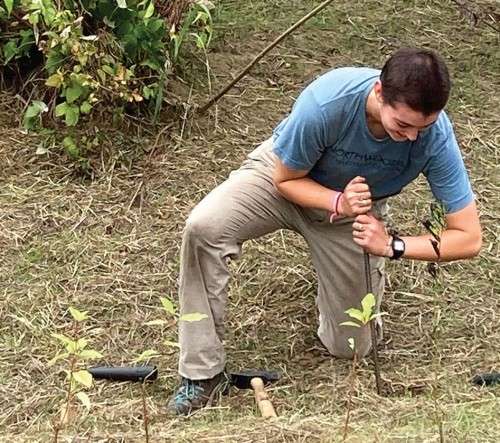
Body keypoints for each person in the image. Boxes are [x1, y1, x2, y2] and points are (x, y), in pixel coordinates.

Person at [167, 47, 482, 415]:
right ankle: (201, 374)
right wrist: (337, 202)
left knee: (352, 347)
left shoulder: (435, 136)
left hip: (354, 212)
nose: (413, 137)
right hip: (285, 178)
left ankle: (334, 292)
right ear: (380, 93)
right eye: (403, 125)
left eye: (422, 128)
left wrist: (392, 244)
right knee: (204, 226)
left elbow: (469, 236)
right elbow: (284, 178)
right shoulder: (328, 101)